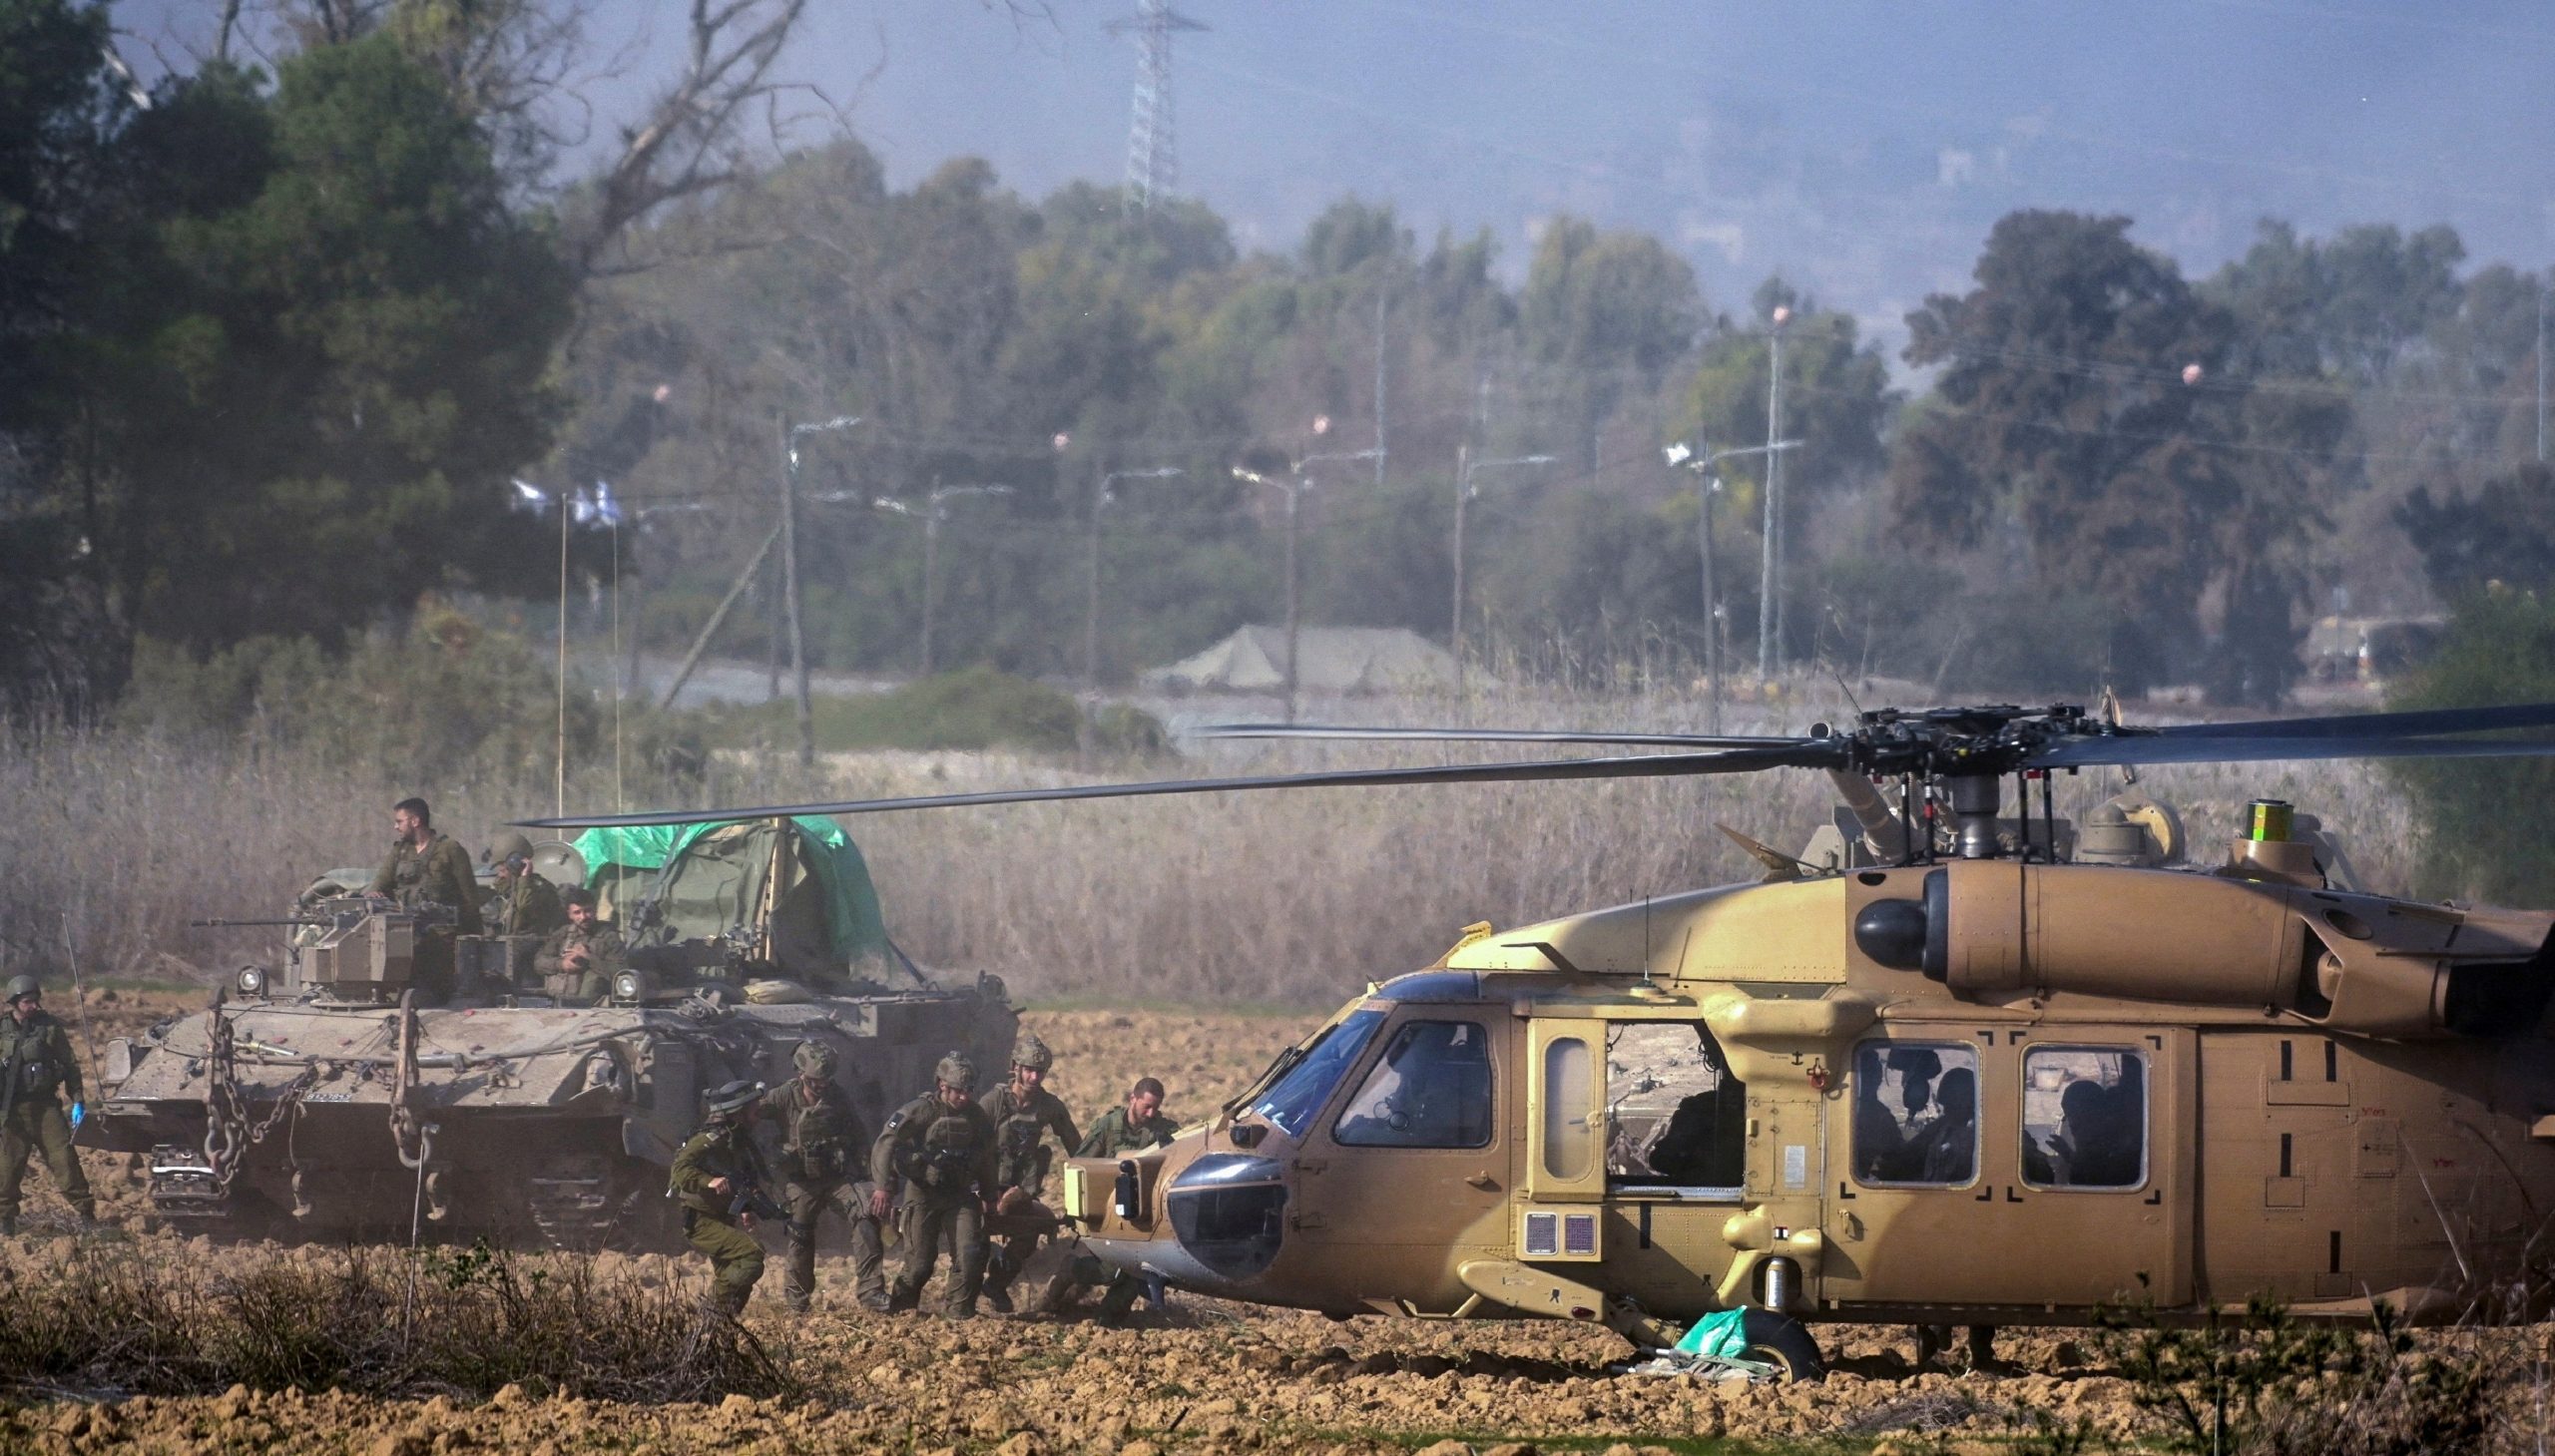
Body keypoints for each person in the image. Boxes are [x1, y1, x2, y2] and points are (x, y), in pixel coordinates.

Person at [755, 1040, 884, 1313]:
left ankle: (871, 1292)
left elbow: (859, 1135)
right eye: (815, 1081)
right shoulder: (783, 1096)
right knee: (800, 1234)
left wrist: (867, 1177)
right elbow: (752, 1114)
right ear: (800, 1074)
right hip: (801, 1181)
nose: (821, 1086)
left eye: (825, 1080)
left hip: (836, 1178)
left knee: (866, 1219)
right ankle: (797, 1301)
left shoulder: (838, 1097)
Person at [869, 1053, 997, 1318]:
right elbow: (885, 1142)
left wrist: (989, 1194)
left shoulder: (976, 1117)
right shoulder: (920, 1110)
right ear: (942, 1085)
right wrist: (882, 1187)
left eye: (969, 1091)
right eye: (958, 1091)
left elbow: (986, 1156)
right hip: (923, 1193)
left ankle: (959, 1313)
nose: (964, 1097)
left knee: (970, 1255)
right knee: (919, 1264)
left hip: (960, 1195)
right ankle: (901, 1314)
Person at [976, 1033, 1081, 1313]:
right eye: (1029, 1071)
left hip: (1019, 1192)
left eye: (1040, 1072)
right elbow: (970, 1146)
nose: (1034, 1078)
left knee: (1034, 1228)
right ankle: (963, 1295)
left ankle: (997, 1283)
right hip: (983, 1187)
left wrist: (1099, 1173)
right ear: (1016, 1068)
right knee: (971, 1238)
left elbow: (1077, 1146)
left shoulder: (1049, 1106)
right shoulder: (993, 1102)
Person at [1062, 1076, 1179, 1323]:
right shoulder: (1107, 1127)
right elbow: (1079, 1166)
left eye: (1156, 1107)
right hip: (1108, 1214)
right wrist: (1076, 1209)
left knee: (1137, 1270)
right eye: (1146, 1106)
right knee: (1110, 1271)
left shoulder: (1164, 1131)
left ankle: (1108, 1321)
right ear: (1132, 1099)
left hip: (1144, 1214)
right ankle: (1070, 1270)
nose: (1151, 1112)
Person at [0, 976, 97, 1236]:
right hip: (12, 1111)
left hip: (45, 1108)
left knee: (65, 1160)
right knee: (7, 1169)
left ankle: (86, 1213)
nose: (33, 1006)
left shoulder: (49, 1028)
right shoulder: (2, 1030)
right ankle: (5, 1222)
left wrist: (77, 1100)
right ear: (14, 1003)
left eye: (35, 1001)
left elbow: (69, 1065)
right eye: (27, 1002)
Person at [670, 1079, 770, 1315]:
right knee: (751, 1254)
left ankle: (719, 1326)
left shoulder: (737, 1141)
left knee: (736, 1276)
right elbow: (679, 1169)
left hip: (722, 1217)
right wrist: (709, 1181)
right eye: (754, 1111)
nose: (758, 1117)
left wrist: (745, 1207)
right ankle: (711, 1311)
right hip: (700, 1221)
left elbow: (741, 1178)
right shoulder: (709, 1139)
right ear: (738, 1113)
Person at [366, 798, 480, 1003]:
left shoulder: (449, 850)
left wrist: (472, 945)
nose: (395, 827)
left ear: (415, 821)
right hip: (405, 938)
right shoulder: (399, 851)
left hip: (442, 942)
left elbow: (470, 898)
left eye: (399, 821)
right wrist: (374, 895)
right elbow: (379, 884)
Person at [534, 888, 624, 1006]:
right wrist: (562, 964)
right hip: (558, 1004)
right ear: (569, 914)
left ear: (595, 910)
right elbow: (539, 962)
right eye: (577, 912)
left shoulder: (609, 937)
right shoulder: (563, 934)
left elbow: (620, 973)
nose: (583, 917)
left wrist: (588, 958)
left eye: (588, 911)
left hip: (596, 1008)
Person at [481, 832, 565, 939]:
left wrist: (524, 877)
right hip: (513, 941)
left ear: (515, 866)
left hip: (535, 944)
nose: (500, 875)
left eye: (502, 870)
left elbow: (524, 905)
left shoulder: (539, 887)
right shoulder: (514, 886)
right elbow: (500, 887)